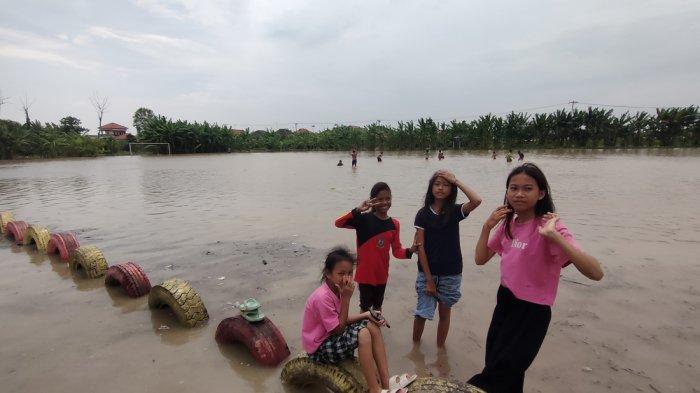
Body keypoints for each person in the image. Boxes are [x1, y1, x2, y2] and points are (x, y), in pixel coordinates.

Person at [469, 163, 603, 393]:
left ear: (541, 193)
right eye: (514, 188)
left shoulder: (550, 226)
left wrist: (555, 237)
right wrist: (486, 227)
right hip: (505, 303)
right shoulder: (508, 224)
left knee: (499, 373)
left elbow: (596, 273)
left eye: (527, 188)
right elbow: (480, 259)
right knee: (498, 367)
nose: (519, 194)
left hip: (532, 312)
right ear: (507, 191)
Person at [302, 247, 416, 393]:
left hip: (330, 335)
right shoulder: (323, 297)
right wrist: (346, 299)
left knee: (371, 326)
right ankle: (374, 389)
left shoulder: (336, 289)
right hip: (319, 349)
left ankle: (386, 382)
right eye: (341, 274)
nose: (346, 278)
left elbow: (339, 319)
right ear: (328, 274)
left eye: (350, 273)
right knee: (363, 333)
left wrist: (367, 314)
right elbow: (338, 329)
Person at [412, 170, 482, 347]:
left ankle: (440, 351)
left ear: (451, 189)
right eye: (437, 184)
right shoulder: (422, 214)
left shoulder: (455, 211)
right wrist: (428, 279)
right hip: (427, 272)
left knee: (445, 314)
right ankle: (416, 349)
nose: (441, 188)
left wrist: (456, 180)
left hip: (451, 272)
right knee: (421, 313)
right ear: (431, 188)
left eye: (445, 185)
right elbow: (420, 248)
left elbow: (476, 201)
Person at [335, 182, 419, 312]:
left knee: (378, 307)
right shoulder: (363, 219)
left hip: (382, 274)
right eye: (380, 199)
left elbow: (397, 251)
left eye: (388, 198)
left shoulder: (394, 224)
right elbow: (338, 223)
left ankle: (375, 331)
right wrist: (358, 210)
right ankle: (364, 330)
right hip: (365, 275)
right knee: (365, 308)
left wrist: (411, 250)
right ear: (372, 200)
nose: (385, 202)